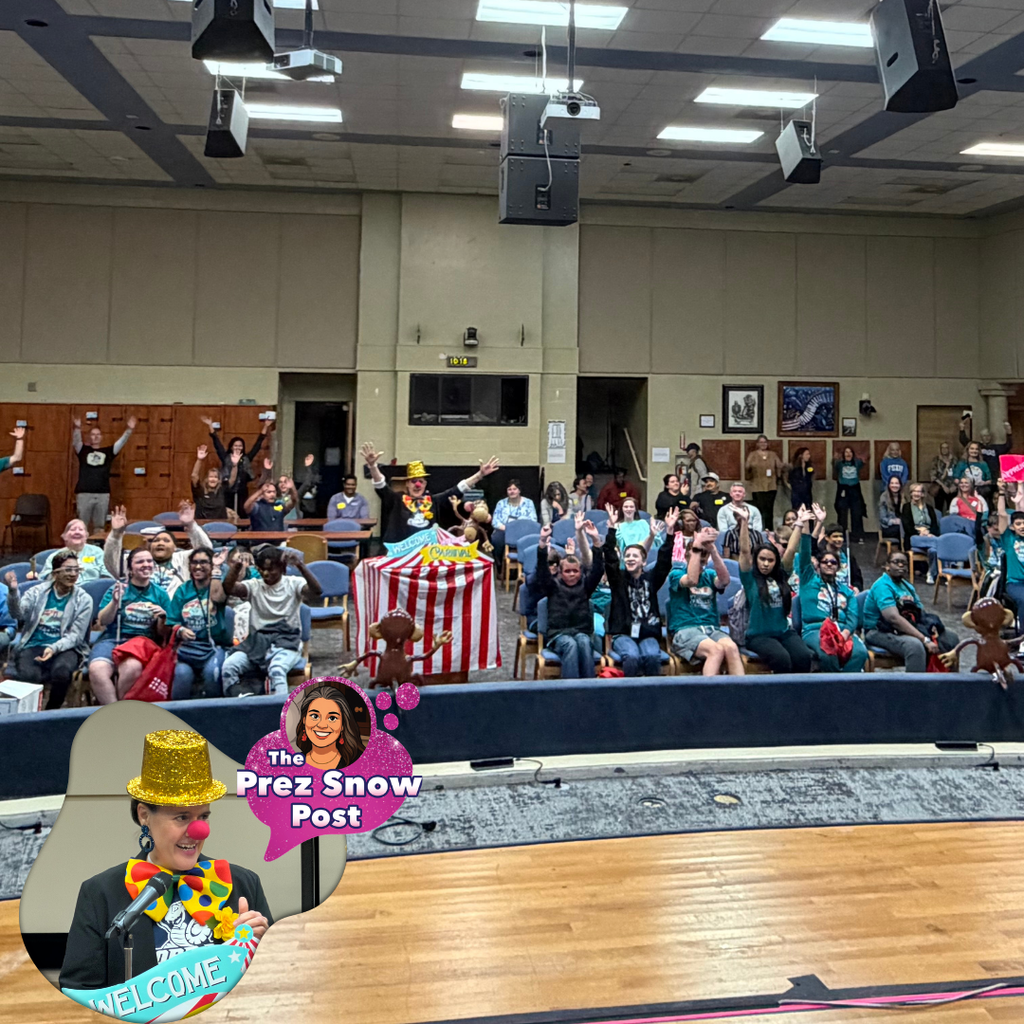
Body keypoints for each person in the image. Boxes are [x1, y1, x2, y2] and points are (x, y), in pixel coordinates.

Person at [60, 730, 271, 990]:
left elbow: (271, 984)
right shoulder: (99, 894)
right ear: (144, 815)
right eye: (182, 817)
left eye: (203, 817)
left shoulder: (243, 884)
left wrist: (259, 949)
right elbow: (79, 992)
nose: (198, 831)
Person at [221, 547, 322, 695]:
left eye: (271, 569)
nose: (266, 573)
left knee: (276, 670)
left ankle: (280, 711)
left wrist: (300, 566)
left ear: (282, 569)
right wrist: (236, 567)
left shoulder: (293, 583)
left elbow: (317, 591)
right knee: (229, 666)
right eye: (262, 569)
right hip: (256, 644)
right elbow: (228, 588)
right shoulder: (254, 585)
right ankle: (236, 706)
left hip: (286, 643)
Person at [4, 551, 91, 710]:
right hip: (34, 644)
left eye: (76, 570)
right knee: (29, 675)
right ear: (55, 574)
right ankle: (29, 713)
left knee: (62, 673)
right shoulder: (36, 593)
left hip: (66, 647)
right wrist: (13, 593)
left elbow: (76, 636)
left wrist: (54, 648)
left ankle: (51, 711)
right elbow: (18, 614)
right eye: (68, 570)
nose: (73, 574)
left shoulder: (84, 599)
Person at [360, 444, 499, 544]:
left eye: (421, 481)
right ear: (407, 484)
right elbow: (380, 485)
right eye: (414, 481)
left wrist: (480, 475)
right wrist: (373, 466)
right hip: (401, 552)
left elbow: (458, 489)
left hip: (428, 552)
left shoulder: (433, 501)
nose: (417, 485)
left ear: (425, 485)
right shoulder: (396, 499)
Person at [89, 548, 172, 704]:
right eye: (140, 561)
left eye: (149, 561)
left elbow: (163, 633)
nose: (146, 565)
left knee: (132, 668)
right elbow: (103, 621)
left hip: (143, 644)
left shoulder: (160, 594)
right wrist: (114, 602)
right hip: (114, 639)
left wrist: (163, 617)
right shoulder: (118, 589)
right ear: (130, 569)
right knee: (97, 670)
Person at [736, 506, 811, 673]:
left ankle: (801, 696)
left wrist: (799, 524)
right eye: (762, 559)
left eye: (770, 560)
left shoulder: (782, 575)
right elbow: (744, 550)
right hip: (758, 636)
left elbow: (791, 549)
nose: (765, 564)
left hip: (784, 632)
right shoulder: (750, 578)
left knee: (804, 656)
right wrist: (744, 522)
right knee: (782, 659)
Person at [602, 505, 676, 676]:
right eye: (627, 556)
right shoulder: (618, 579)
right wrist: (612, 529)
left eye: (635, 556)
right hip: (623, 634)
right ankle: (631, 697)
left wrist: (670, 532)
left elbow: (664, 562)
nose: (630, 558)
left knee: (651, 655)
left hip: (647, 632)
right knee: (632, 656)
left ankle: (652, 696)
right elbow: (610, 559)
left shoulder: (651, 579)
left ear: (643, 562)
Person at [863, 551, 957, 672]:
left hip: (905, 628)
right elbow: (893, 618)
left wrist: (931, 627)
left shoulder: (907, 586)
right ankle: (915, 689)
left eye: (904, 563)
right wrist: (924, 639)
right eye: (896, 562)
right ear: (887, 566)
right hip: (880, 631)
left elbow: (920, 612)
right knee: (915, 646)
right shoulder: (882, 586)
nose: (901, 566)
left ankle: (948, 684)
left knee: (950, 638)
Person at [668, 523, 743, 676]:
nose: (701, 556)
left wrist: (713, 551)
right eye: (697, 553)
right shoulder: (676, 573)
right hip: (686, 629)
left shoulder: (709, 574)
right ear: (688, 554)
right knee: (716, 650)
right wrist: (696, 546)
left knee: (732, 648)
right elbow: (691, 580)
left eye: (704, 554)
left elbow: (724, 581)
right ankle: (708, 696)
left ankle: (741, 695)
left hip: (711, 629)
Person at [536, 513, 605, 679]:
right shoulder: (552, 586)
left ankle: (588, 687)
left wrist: (596, 542)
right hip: (559, 635)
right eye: (568, 571)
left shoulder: (586, 586)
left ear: (580, 572)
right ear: (560, 573)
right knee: (570, 645)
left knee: (583, 642)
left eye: (575, 571)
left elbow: (598, 570)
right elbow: (542, 572)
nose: (572, 574)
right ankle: (571, 689)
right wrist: (542, 544)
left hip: (582, 632)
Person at [796, 513, 867, 673]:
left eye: (833, 562)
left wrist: (846, 633)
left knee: (860, 653)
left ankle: (848, 688)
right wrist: (805, 524)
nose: (829, 564)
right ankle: (833, 690)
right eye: (825, 562)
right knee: (829, 654)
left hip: (842, 629)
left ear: (838, 567)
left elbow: (853, 616)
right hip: (815, 629)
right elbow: (805, 552)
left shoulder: (845, 591)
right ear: (818, 566)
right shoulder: (809, 581)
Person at [104, 503, 213, 595]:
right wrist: (116, 534)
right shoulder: (138, 560)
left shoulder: (183, 559)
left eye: (166, 541)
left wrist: (191, 526)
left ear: (175, 548)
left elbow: (206, 553)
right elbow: (111, 561)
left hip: (174, 611)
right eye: (156, 541)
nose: (160, 543)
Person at [167, 549, 229, 700]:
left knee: (212, 674)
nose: (198, 566)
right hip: (188, 649)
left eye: (203, 562)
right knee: (181, 676)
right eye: (194, 562)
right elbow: (171, 621)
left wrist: (216, 568)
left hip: (213, 647)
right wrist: (180, 630)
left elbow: (219, 598)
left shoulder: (217, 587)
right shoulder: (183, 590)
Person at [72, 416, 136, 532]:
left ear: (101, 437)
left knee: (99, 526)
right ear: (89, 437)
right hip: (84, 493)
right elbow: (76, 441)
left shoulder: (108, 452)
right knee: (81, 525)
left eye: (98, 434)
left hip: (102, 494)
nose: (95, 437)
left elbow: (121, 443)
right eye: (93, 434)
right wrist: (77, 428)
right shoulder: (83, 451)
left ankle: (98, 548)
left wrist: (129, 430)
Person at [202, 415, 272, 515]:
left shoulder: (246, 458)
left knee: (242, 513)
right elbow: (217, 443)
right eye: (235, 445)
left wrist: (265, 426)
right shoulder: (226, 457)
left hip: (242, 490)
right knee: (227, 513)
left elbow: (258, 444)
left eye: (240, 446)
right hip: (227, 491)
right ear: (231, 447)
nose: (238, 447)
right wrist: (210, 426)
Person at [294, 683, 365, 770]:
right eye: (315, 716)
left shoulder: (361, 760)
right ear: (304, 720)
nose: (322, 725)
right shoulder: (291, 762)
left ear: (343, 725)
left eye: (332, 718)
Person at [39, 519, 111, 582]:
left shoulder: (97, 552)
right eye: (73, 529)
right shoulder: (55, 556)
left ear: (86, 536)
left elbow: (107, 576)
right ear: (64, 536)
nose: (77, 532)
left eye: (81, 529)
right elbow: (45, 578)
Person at [960, 413, 1012, 494]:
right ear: (981, 437)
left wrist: (1009, 433)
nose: (986, 437)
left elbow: (1008, 446)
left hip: (993, 477)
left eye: (988, 436)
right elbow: (964, 441)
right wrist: (962, 429)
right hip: (980, 479)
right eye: (984, 436)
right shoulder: (977, 446)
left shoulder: (995, 448)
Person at [490, 478, 538, 566]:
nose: (512, 491)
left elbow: (533, 520)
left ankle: (528, 566)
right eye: (509, 489)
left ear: (519, 490)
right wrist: (507, 529)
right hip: (505, 530)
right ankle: (499, 565)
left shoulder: (528, 503)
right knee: (495, 539)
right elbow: (495, 521)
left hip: (524, 531)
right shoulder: (501, 503)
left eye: (514, 489)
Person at [901, 482, 940, 585]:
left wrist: (929, 533)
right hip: (914, 537)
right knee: (936, 544)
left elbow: (935, 526)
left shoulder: (930, 508)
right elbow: (907, 526)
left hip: (929, 537)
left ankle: (931, 573)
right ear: (911, 493)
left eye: (919, 491)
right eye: (914, 491)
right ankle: (940, 571)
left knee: (933, 551)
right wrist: (919, 532)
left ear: (923, 494)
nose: (917, 494)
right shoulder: (906, 507)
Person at [996, 486, 1024, 631]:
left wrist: (1020, 486)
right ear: (1012, 527)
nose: (1022, 526)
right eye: (1018, 524)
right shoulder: (1009, 539)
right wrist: (1001, 493)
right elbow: (1001, 514)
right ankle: (1022, 639)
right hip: (1015, 584)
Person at [245, 460, 297, 531]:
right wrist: (260, 491)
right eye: (269, 492)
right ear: (262, 495)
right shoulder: (257, 506)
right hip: (261, 541)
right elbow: (246, 506)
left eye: (274, 492)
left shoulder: (279, 506)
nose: (272, 494)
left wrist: (292, 488)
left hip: (279, 541)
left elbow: (294, 501)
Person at [745, 435, 785, 525]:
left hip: (771, 486)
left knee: (769, 509)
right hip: (757, 486)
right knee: (759, 509)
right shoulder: (753, 454)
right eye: (761, 442)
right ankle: (758, 528)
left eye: (765, 442)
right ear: (757, 444)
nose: (763, 444)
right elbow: (747, 467)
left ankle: (769, 529)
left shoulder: (773, 454)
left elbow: (779, 465)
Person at [191, 445, 234, 521]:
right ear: (207, 479)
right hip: (202, 526)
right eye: (211, 477)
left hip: (220, 527)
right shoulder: (200, 491)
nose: (213, 479)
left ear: (218, 480)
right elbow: (194, 476)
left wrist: (235, 466)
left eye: (215, 477)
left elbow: (232, 480)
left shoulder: (222, 489)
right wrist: (199, 460)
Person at [833, 446, 866, 542]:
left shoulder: (857, 463)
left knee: (857, 513)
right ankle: (841, 536)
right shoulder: (839, 464)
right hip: (843, 489)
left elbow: (865, 460)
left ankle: (858, 536)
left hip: (855, 489)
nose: (848, 454)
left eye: (850, 452)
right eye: (846, 452)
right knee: (842, 514)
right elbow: (834, 464)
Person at [928, 441, 958, 515]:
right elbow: (933, 476)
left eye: (946, 448)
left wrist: (955, 485)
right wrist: (944, 486)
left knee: (952, 509)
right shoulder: (936, 460)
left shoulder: (955, 460)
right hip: (940, 487)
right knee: (938, 509)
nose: (944, 450)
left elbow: (959, 474)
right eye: (943, 448)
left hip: (952, 487)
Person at [788, 447, 815, 511]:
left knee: (808, 510)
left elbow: (812, 475)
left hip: (807, 493)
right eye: (807, 454)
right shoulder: (792, 466)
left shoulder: (809, 466)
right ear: (801, 455)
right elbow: (786, 477)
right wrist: (790, 486)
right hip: (796, 493)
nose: (809, 456)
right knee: (797, 510)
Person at [877, 475, 904, 541]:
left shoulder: (903, 497)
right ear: (888, 485)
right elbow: (882, 518)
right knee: (901, 530)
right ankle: (901, 549)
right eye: (892, 483)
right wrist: (893, 521)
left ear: (900, 485)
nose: (894, 485)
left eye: (896, 483)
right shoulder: (884, 497)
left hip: (901, 525)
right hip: (888, 527)